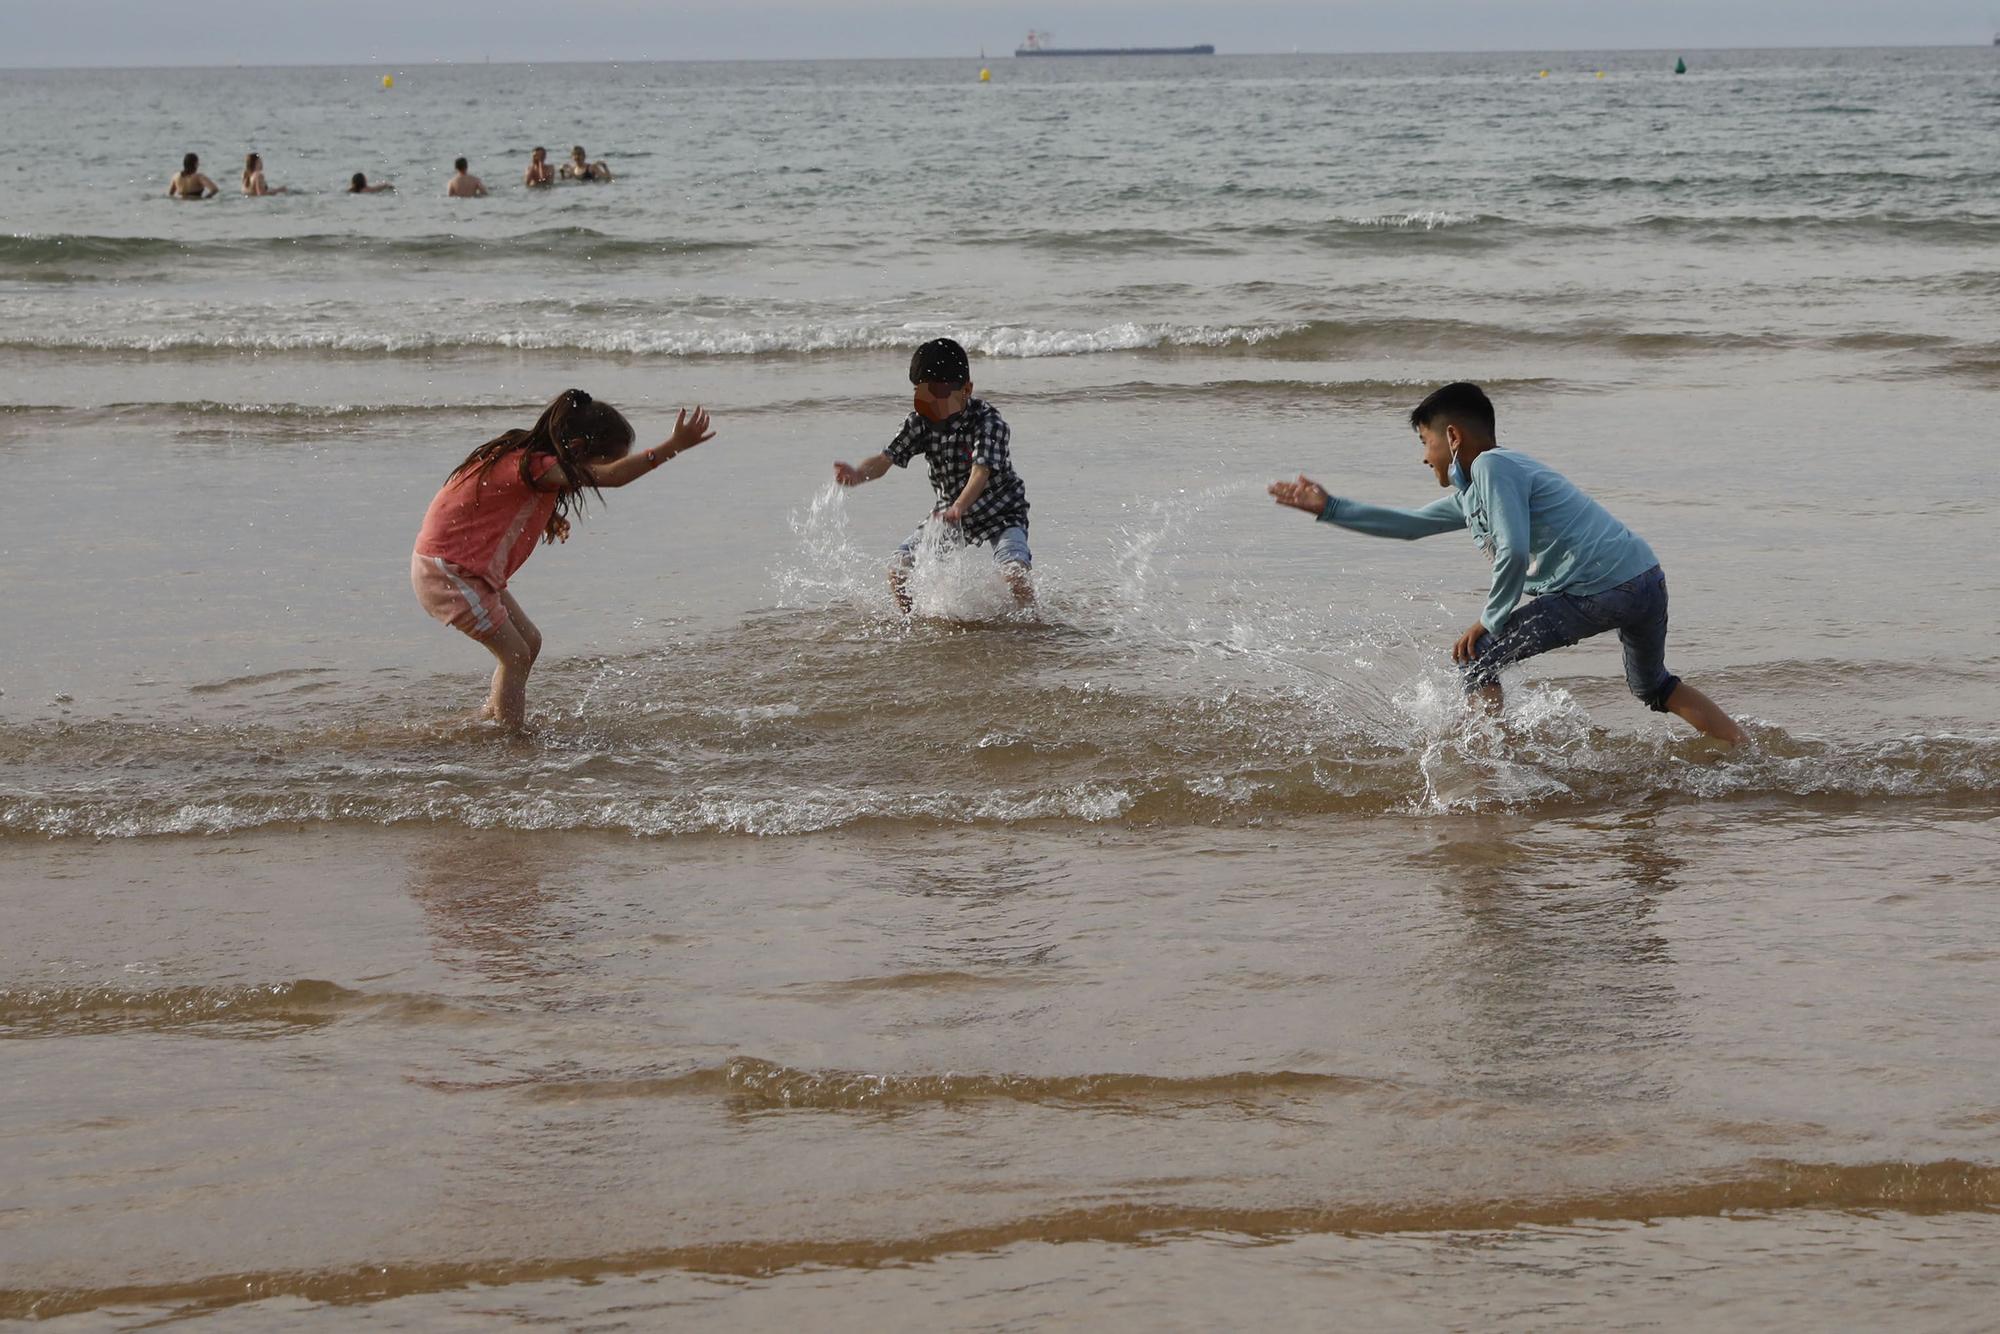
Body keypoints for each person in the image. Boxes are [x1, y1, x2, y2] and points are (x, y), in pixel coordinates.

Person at [1268, 381, 1746, 743]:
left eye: (1424, 442)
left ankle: (1492, 764)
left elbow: (1514, 550)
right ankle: (1745, 749)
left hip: (1600, 590)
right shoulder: (1479, 489)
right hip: (1644, 580)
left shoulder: (1493, 467)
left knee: (1478, 656)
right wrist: (1331, 508)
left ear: (1452, 436)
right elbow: (1409, 524)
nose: (1423, 458)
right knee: (1654, 687)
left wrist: (1489, 618)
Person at [413, 389, 715, 730]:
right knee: (514, 655)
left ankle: (495, 715)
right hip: (449, 572)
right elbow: (614, 477)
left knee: (529, 642)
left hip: (465, 571)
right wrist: (673, 446)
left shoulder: (524, 458)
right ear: (577, 449)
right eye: (602, 460)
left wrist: (546, 517)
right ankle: (511, 737)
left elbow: (490, 502)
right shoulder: (535, 465)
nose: (598, 471)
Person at [833, 338, 1033, 613]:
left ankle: (1034, 624)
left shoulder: (988, 422)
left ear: (966, 390)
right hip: (947, 513)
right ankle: (912, 620)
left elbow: (981, 472)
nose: (929, 404)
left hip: (1001, 510)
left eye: (939, 394)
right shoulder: (919, 422)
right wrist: (858, 473)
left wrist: (960, 507)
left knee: (1014, 573)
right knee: (897, 568)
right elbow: (884, 460)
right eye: (921, 393)